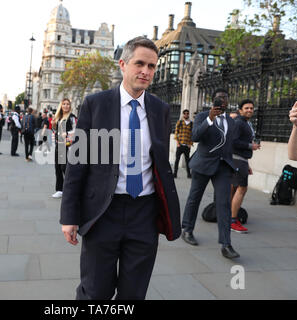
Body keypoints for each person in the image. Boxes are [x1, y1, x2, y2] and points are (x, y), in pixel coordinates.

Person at [60, 36, 181, 300]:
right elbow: (77, 163)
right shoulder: (96, 104)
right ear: (123, 65)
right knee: (95, 292)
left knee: (134, 293)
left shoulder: (160, 109)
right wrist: (69, 214)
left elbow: (159, 164)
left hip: (144, 214)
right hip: (104, 212)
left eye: (151, 66)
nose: (146, 71)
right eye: (140, 64)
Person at [181, 88, 240, 259]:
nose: (222, 100)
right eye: (219, 98)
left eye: (225, 97)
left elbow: (230, 145)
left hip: (223, 166)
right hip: (203, 163)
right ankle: (187, 230)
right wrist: (210, 119)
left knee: (223, 203)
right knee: (194, 198)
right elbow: (195, 137)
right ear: (213, 100)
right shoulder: (202, 116)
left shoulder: (231, 121)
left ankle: (226, 244)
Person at [231, 99, 261, 233]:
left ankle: (229, 216)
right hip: (237, 160)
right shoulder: (239, 123)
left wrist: (247, 163)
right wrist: (251, 146)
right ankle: (232, 220)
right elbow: (233, 142)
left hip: (241, 160)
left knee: (234, 188)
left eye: (251, 108)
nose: (249, 110)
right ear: (240, 110)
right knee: (242, 189)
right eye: (246, 108)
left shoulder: (245, 123)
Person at [51, 98, 77, 199]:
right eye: (64, 104)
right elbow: (55, 130)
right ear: (61, 106)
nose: (66, 106)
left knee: (64, 168)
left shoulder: (72, 117)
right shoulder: (59, 117)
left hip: (67, 145)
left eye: (68, 104)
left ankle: (71, 188)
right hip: (59, 144)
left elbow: (76, 129)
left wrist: (67, 133)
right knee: (57, 167)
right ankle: (59, 189)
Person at [173, 109, 193, 179]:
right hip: (180, 145)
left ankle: (189, 174)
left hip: (187, 146)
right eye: (185, 113)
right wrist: (177, 143)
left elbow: (192, 134)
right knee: (177, 160)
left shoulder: (191, 123)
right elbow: (176, 133)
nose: (186, 115)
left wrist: (190, 144)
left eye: (187, 113)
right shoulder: (180, 122)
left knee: (188, 161)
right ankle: (175, 173)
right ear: (183, 114)